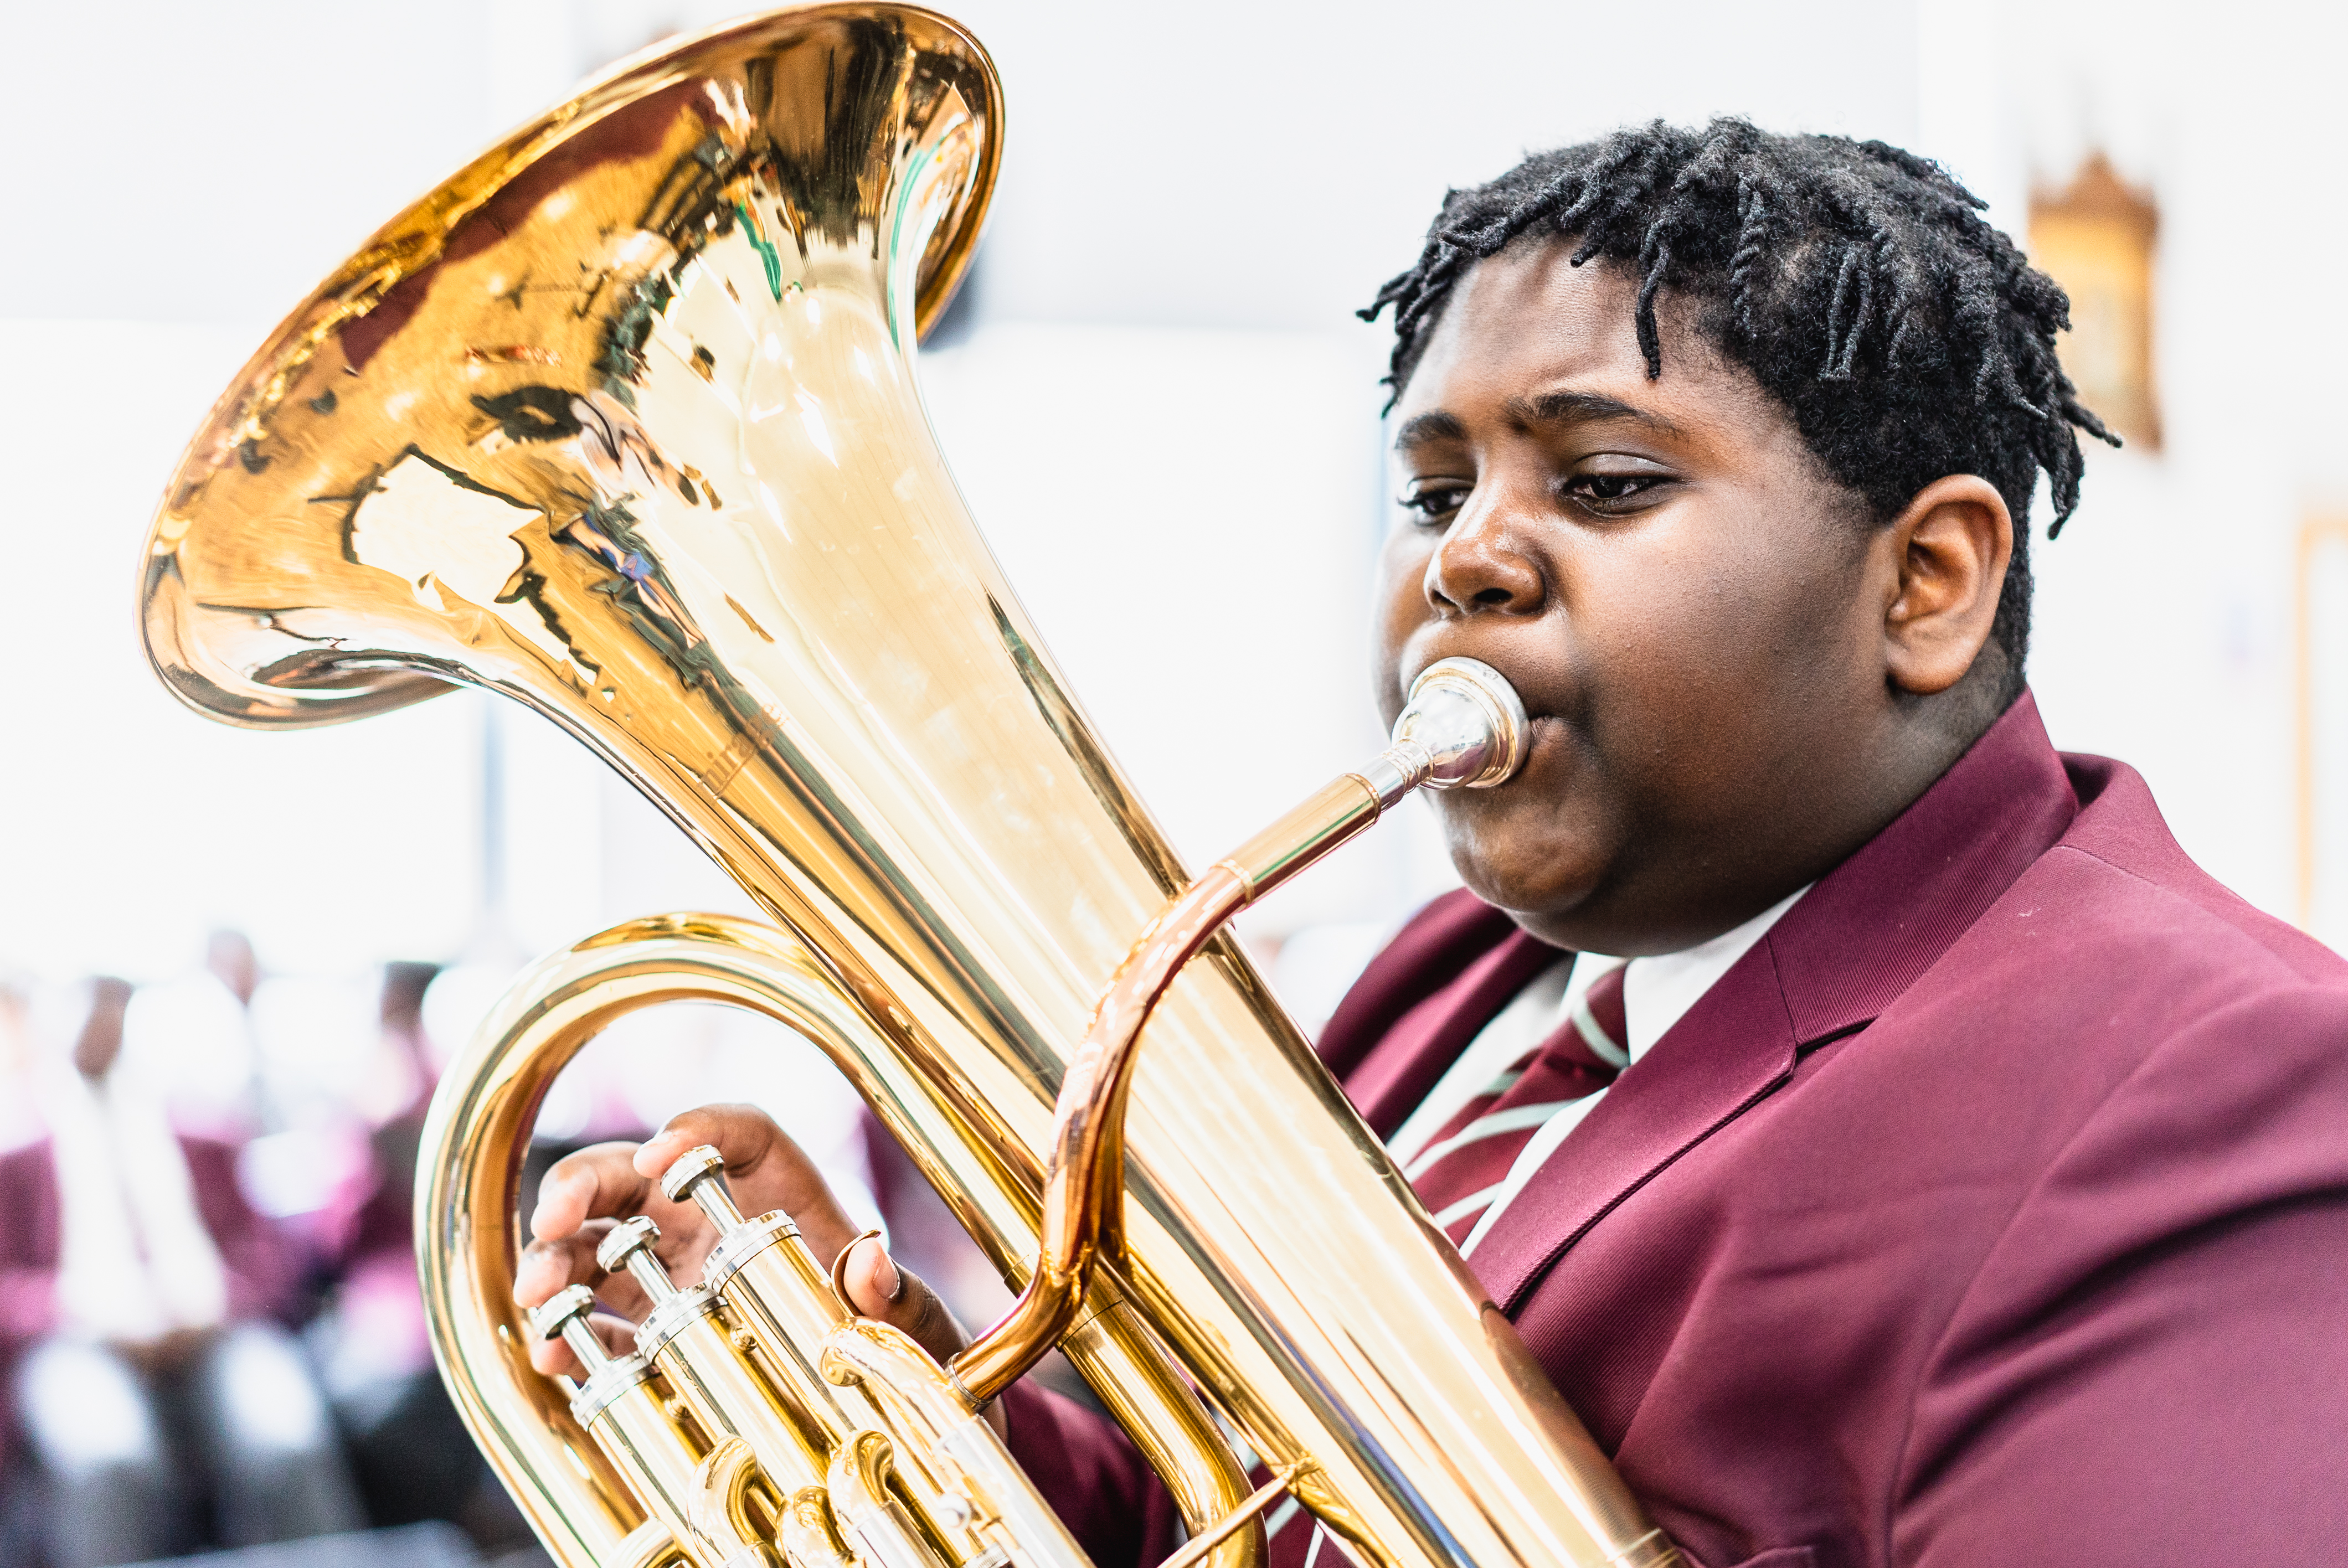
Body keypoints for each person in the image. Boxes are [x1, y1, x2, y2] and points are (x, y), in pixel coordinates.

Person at [514, 121, 2348, 1566]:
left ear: (1929, 583)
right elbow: (1234, 1511)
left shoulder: (2212, 1085)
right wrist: (891, 1398)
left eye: (1604, 481)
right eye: (1433, 489)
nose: (1463, 560)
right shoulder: (1452, 988)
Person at [0, 977, 363, 1567]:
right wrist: (82, 1307)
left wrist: (209, 1303)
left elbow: (269, 1256)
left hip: (216, 1328)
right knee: (107, 1460)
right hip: (78, 1339)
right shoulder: (20, 1145)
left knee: (286, 1441)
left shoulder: (200, 1130)